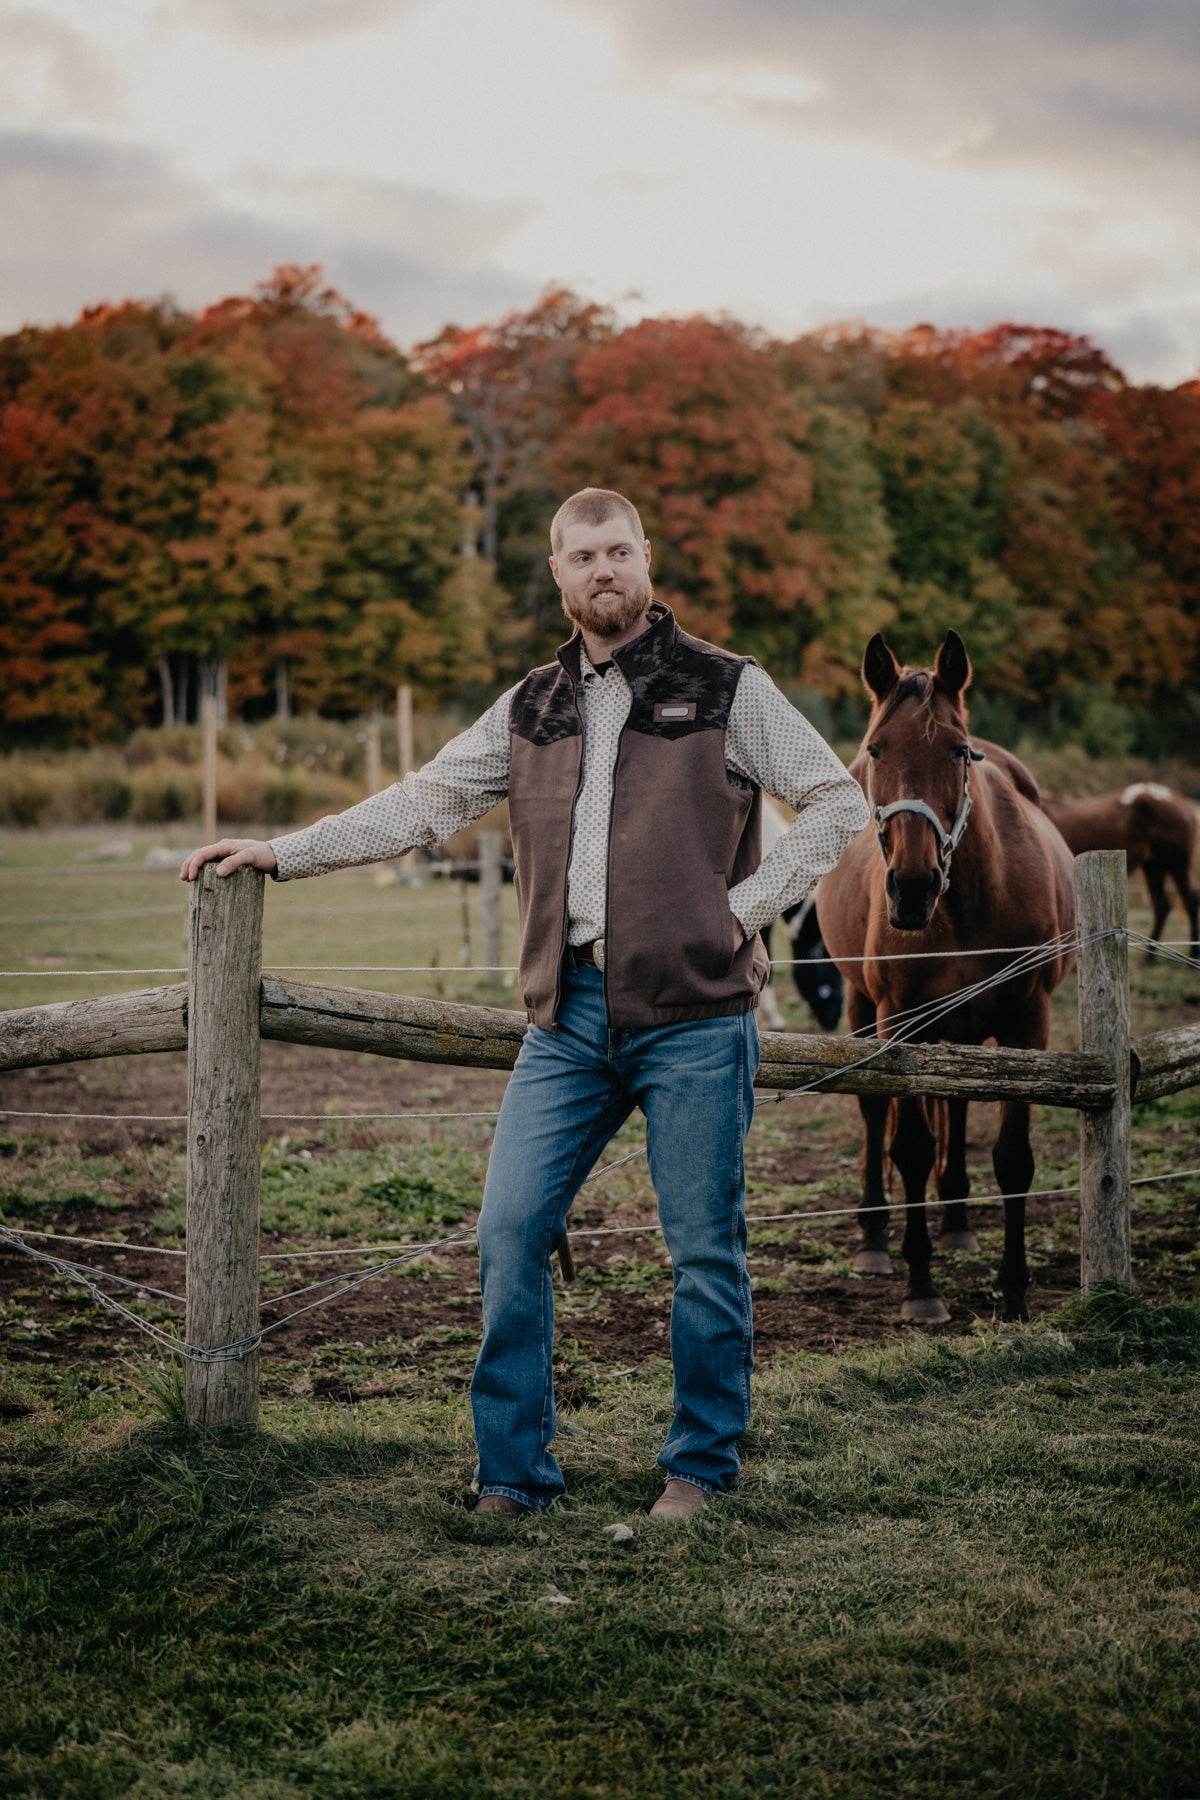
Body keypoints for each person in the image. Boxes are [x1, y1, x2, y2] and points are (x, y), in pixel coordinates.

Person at [181, 487, 869, 1520]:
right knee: (508, 1233)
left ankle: (698, 1469)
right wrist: (281, 853)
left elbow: (838, 801)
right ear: (556, 574)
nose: (604, 570)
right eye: (583, 555)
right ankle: (513, 1474)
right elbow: (424, 802)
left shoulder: (727, 686)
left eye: (621, 552)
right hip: (571, 1019)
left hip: (695, 1015)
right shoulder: (532, 706)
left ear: (646, 563)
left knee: (704, 1250)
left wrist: (741, 912)